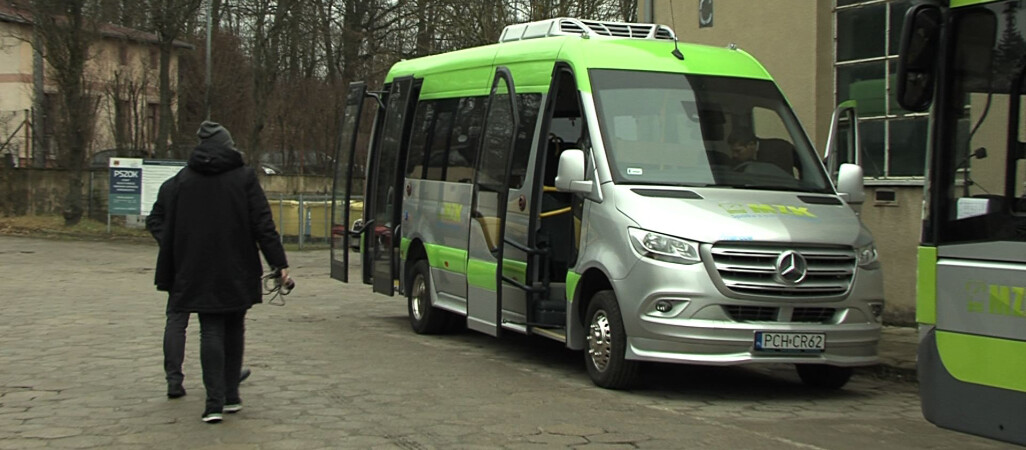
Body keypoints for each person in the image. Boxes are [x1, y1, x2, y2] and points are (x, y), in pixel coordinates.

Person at [146, 121, 290, 424]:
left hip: (198, 268)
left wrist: (175, 268)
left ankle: (212, 404)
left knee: (209, 330)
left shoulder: (183, 181)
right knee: (235, 327)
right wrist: (279, 264)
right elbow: (262, 224)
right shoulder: (244, 178)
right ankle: (231, 396)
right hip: (238, 266)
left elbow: (172, 229)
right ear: (228, 145)